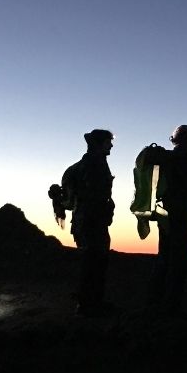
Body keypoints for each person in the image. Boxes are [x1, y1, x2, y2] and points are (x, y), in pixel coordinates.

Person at [146, 124, 187, 317]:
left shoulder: (166, 159)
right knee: (180, 260)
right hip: (182, 214)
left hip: (165, 215)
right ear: (186, 140)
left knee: (164, 256)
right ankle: (171, 306)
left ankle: (154, 301)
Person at [69, 129, 117, 317]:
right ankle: (87, 306)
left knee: (94, 262)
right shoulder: (93, 164)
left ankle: (91, 302)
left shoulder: (88, 163)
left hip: (87, 220)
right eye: (108, 142)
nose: (111, 145)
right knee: (93, 262)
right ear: (100, 143)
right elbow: (92, 195)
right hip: (91, 221)